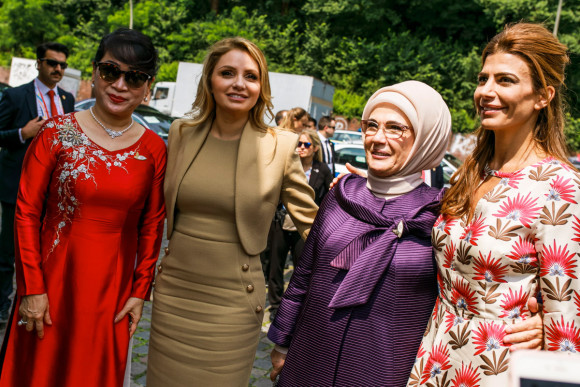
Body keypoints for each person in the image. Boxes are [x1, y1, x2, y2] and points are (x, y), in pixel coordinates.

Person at [268, 81, 544, 386]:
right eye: (371, 125)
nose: (378, 138)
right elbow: (303, 275)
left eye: (395, 128)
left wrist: (537, 318)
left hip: (386, 368)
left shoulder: (447, 212)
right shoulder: (340, 195)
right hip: (310, 356)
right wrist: (281, 342)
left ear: (426, 139)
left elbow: (481, 277)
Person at [410, 23, 579, 386]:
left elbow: (568, 320)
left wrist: (545, 328)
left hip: (499, 369)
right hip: (435, 359)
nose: (485, 91)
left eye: (504, 80)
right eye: (483, 78)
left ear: (543, 96)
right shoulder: (470, 171)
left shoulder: (560, 186)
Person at [146, 37, 318, 386]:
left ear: (261, 87)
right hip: (173, 297)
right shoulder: (182, 132)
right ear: (210, 79)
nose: (239, 84)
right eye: (227, 73)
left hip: (233, 304)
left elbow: (315, 227)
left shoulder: (280, 146)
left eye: (251, 76)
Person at [0, 29, 166, 387]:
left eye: (134, 77)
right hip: (49, 285)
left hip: (112, 295)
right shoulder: (58, 132)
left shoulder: (154, 149)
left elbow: (152, 226)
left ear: (147, 86)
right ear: (93, 72)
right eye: (110, 71)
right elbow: (26, 212)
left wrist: (139, 292)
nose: (120, 85)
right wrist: (31, 287)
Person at [0, 43, 75, 322]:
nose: (58, 69)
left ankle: (42, 301)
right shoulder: (16, 96)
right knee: (8, 252)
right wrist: (23, 132)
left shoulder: (68, 99)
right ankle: (2, 307)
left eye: (62, 65)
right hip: (17, 185)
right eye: (52, 63)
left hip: (55, 189)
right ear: (38, 64)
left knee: (46, 250)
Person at [268, 129, 333, 321]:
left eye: (306, 145)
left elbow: (328, 197)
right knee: (275, 267)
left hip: (304, 227)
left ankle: (296, 308)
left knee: (302, 269)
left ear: (314, 148)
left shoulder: (322, 169)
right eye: (299, 144)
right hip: (281, 221)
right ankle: (275, 307)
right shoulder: (287, 165)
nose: (302, 148)